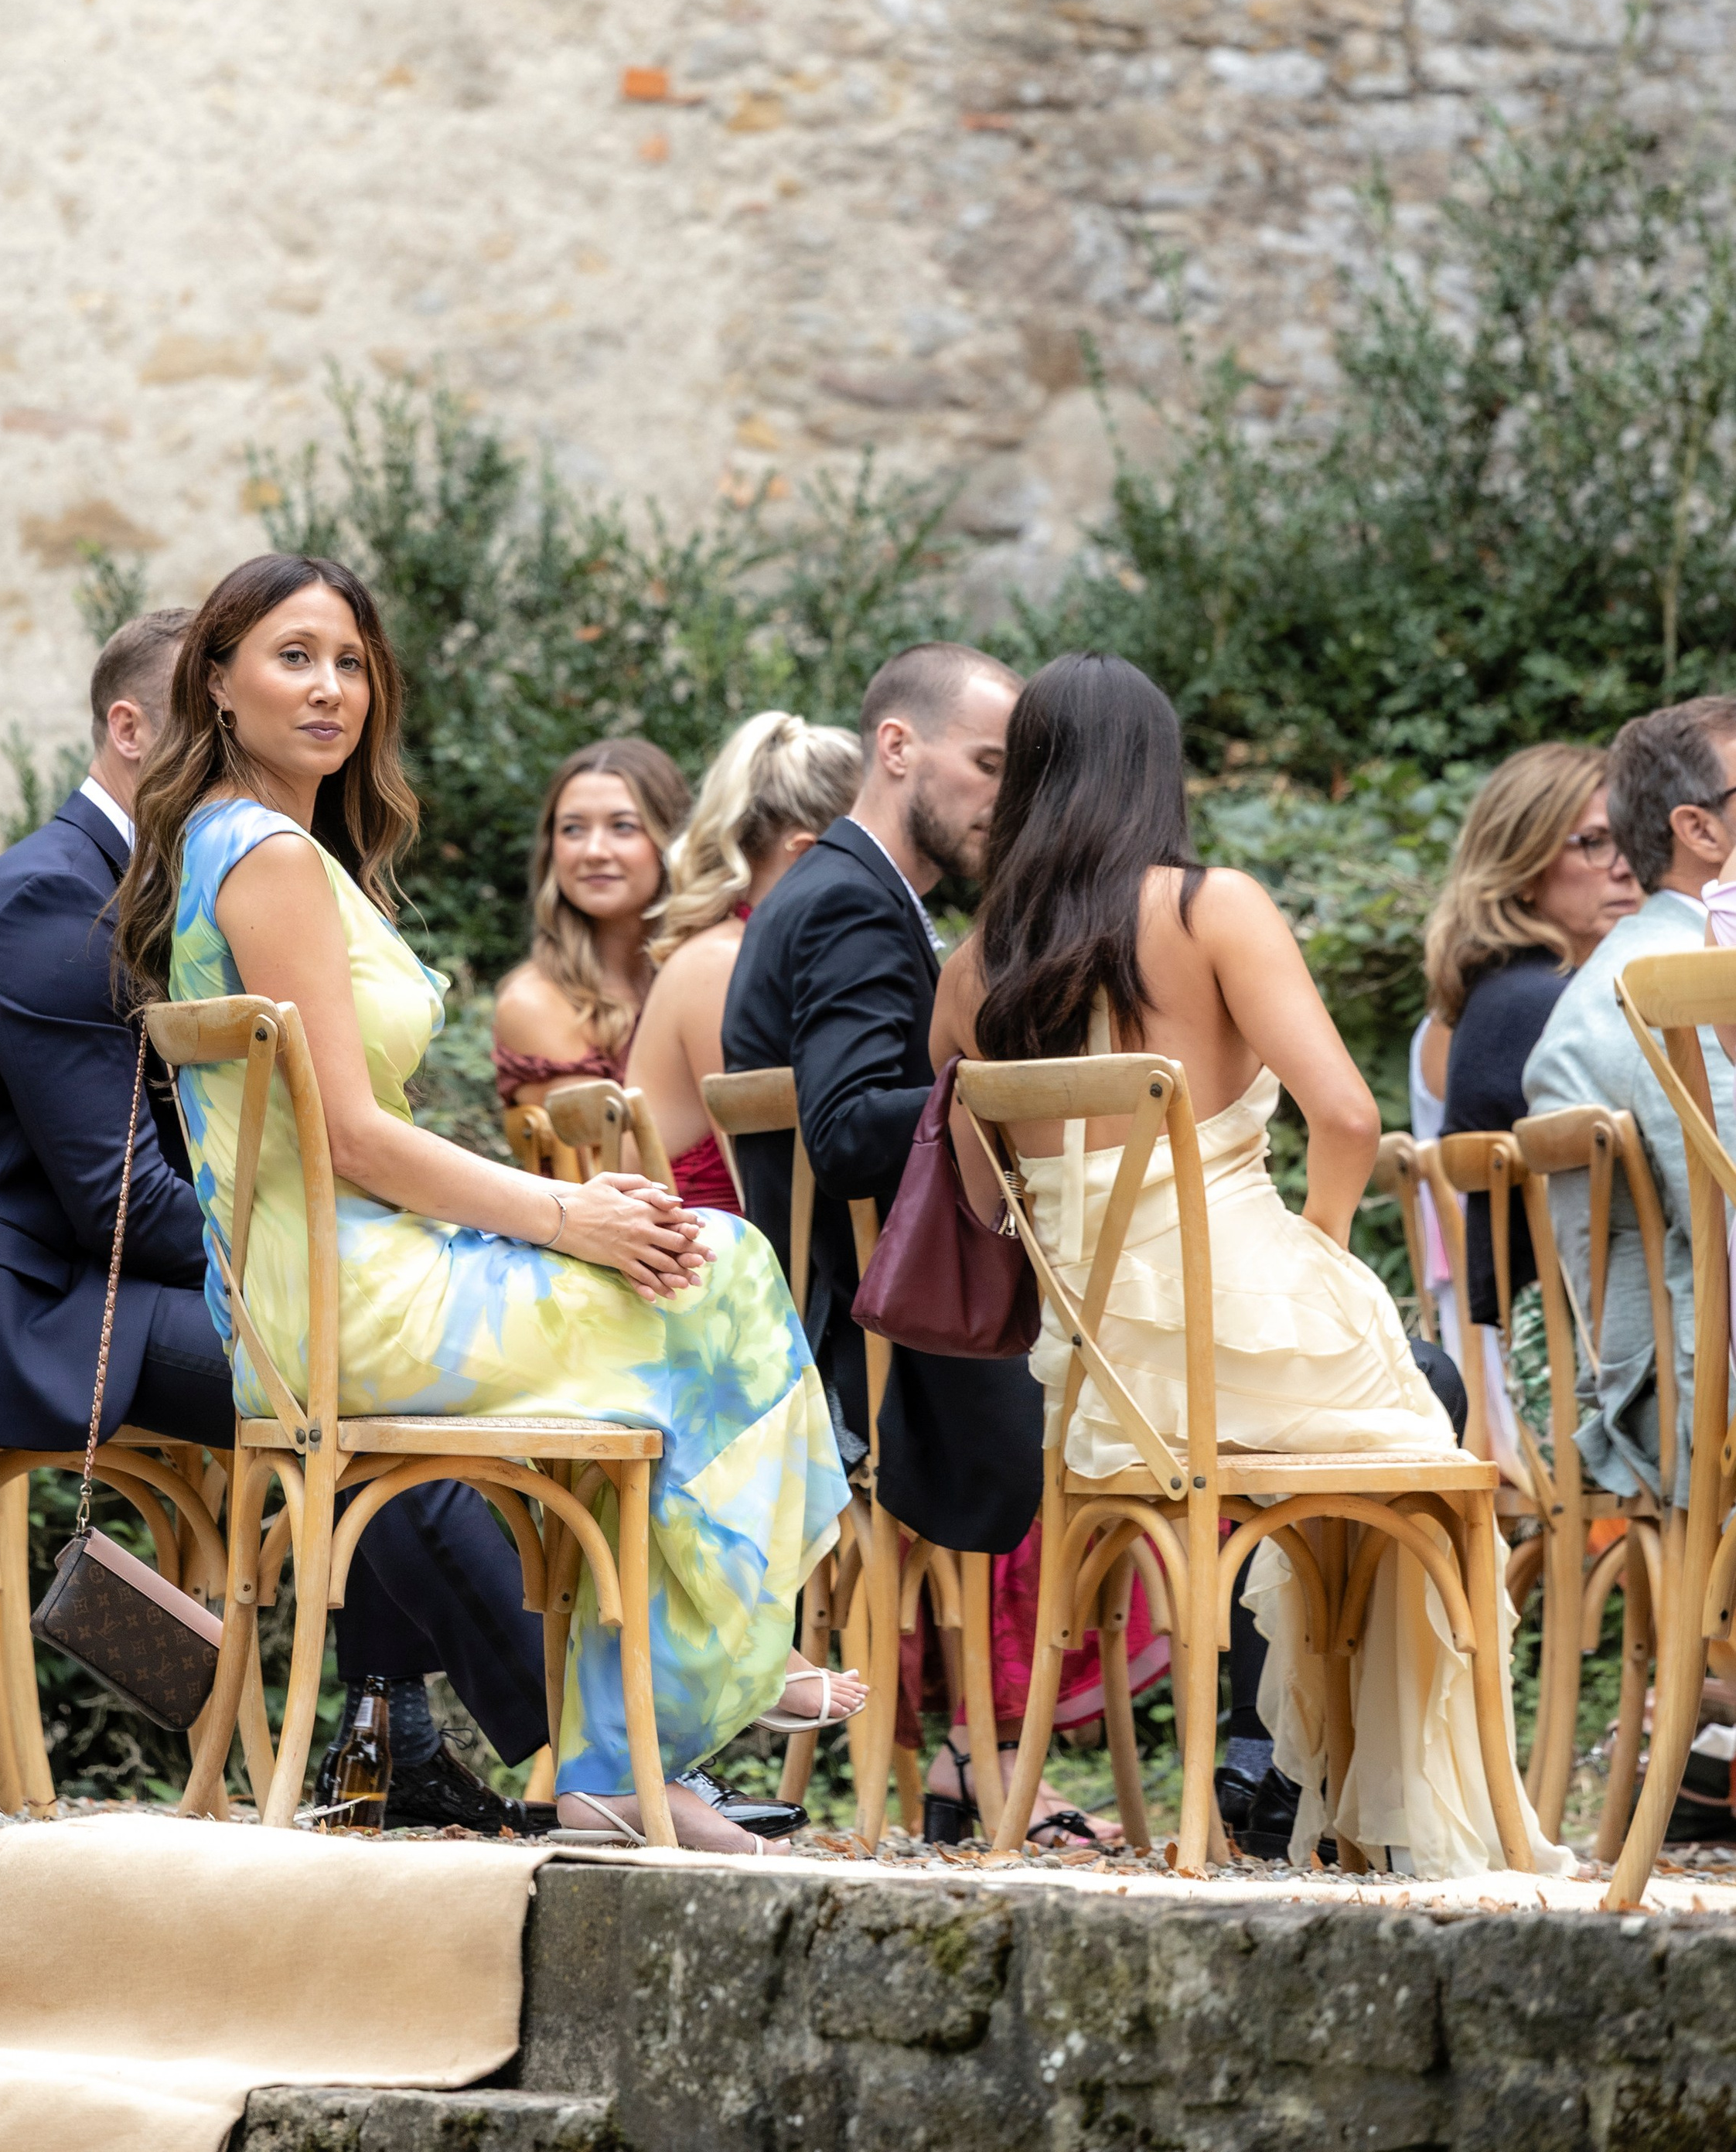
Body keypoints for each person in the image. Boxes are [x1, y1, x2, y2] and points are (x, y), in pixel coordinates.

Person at [115, 553, 856, 1851]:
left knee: (691, 1282)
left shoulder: (229, 844)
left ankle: (665, 1710)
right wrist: (569, 1218)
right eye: (294, 658)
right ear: (218, 684)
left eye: (351, 663)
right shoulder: (270, 859)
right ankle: (671, 1707)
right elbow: (355, 1138)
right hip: (351, 1304)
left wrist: (562, 1220)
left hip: (311, 1295)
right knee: (724, 1267)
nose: (331, 688)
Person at [0, 612, 567, 1833]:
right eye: (212, 727)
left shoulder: (152, 885)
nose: (237, 758)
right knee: (358, 1383)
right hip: (23, 1316)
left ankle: (395, 1740)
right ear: (134, 731)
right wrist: (337, 1257)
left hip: (86, 1286)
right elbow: (122, 1203)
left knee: (368, 1357)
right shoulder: (59, 904)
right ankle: (596, 1756)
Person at [933, 650, 1570, 1879]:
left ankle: (1280, 1765)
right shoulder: (1208, 909)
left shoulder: (970, 973)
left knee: (1398, 1411)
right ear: (1156, 774)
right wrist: (1316, 1251)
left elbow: (977, 1198)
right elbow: (1347, 1116)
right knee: (1429, 1419)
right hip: (1248, 1331)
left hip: (1097, 1387)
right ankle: (1333, 1777)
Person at [721, 642, 1101, 1839]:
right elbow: (845, 1133)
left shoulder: (845, 892)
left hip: (848, 1321)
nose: (1007, 797)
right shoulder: (852, 902)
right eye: (989, 764)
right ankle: (1005, 1755)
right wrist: (999, 1091)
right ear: (898, 747)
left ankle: (979, 1752)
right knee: (1141, 1401)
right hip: (873, 1352)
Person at [1524, 697, 1736, 1500]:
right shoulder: (1678, 983)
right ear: (1700, 829)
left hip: (1657, 1372)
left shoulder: (1632, 962)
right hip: (1698, 1384)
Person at [1421, 745, 1641, 1457]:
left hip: (1555, 1363)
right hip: (1594, 1378)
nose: (1626, 865)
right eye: (1595, 841)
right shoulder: (1543, 1006)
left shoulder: (1514, 990)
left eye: (1632, 837)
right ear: (1521, 868)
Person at [626, 711, 862, 1210]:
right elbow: (772, 1175)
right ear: (806, 855)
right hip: (714, 1252)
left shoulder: (744, 950)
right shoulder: (721, 964)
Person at [490, 740, 691, 1120]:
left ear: (672, 841)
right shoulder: (535, 1003)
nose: (594, 851)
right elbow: (613, 1152)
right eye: (573, 829)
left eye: (623, 827)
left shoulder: (708, 969)